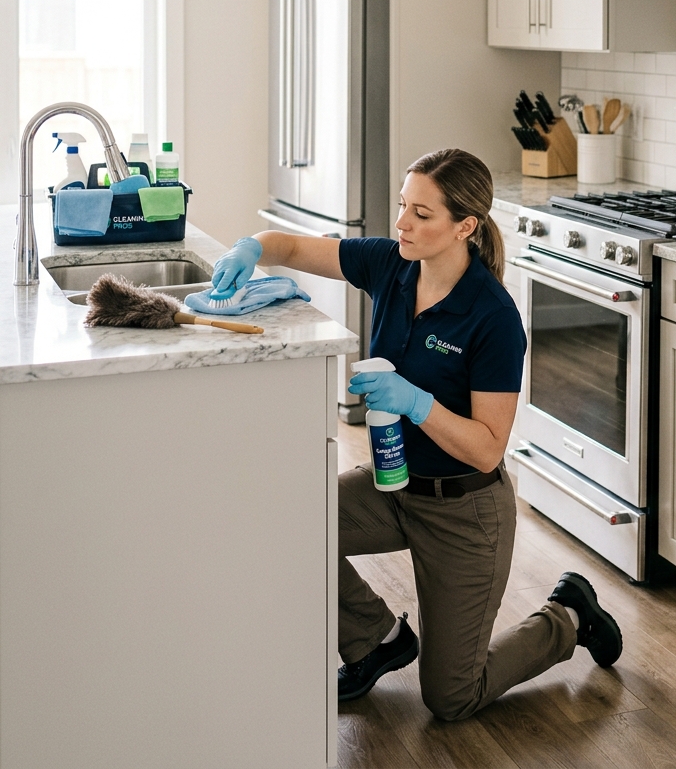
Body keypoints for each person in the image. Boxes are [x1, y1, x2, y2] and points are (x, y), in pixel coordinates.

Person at [211, 148, 622, 721]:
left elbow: (487, 449)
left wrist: (417, 402)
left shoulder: (492, 317)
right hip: (394, 485)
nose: (402, 223)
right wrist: (252, 248)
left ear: (465, 227)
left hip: (466, 511)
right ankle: (375, 641)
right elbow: (293, 246)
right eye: (403, 206)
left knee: (452, 697)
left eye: (422, 214)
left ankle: (568, 617)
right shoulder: (391, 264)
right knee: (284, 522)